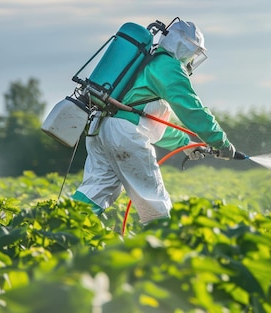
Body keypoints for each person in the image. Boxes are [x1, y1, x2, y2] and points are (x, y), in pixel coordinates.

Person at [72, 19, 236, 224]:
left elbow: (145, 120)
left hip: (101, 128)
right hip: (123, 134)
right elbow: (192, 109)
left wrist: (184, 143)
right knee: (155, 205)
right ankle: (159, 250)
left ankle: (55, 228)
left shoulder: (147, 63)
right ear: (184, 47)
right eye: (193, 52)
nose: (192, 59)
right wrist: (220, 142)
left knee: (95, 191)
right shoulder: (167, 66)